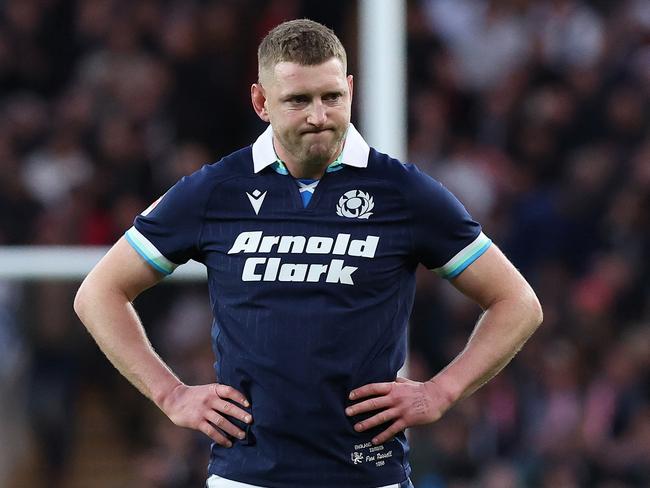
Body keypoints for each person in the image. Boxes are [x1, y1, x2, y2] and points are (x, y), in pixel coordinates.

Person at [74, 19, 543, 488]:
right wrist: (171, 394)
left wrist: (441, 392)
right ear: (261, 102)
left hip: (368, 476)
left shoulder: (404, 192)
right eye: (298, 100)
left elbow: (517, 303)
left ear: (351, 90)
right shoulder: (216, 191)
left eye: (332, 97)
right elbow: (99, 292)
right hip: (246, 478)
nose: (319, 115)